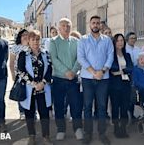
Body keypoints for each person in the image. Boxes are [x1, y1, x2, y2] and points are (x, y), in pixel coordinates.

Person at [77, 15, 114, 145]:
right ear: (90, 25)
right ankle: (88, 133)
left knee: (102, 107)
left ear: (101, 25)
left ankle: (102, 133)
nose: (96, 25)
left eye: (98, 23)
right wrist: (93, 72)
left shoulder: (107, 40)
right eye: (93, 23)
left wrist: (102, 71)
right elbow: (81, 58)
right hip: (87, 78)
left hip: (103, 78)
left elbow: (110, 56)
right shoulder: (83, 40)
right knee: (87, 107)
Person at [49, 18, 83, 141]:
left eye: (68, 25)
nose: (66, 28)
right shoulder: (53, 42)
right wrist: (66, 71)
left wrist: (73, 72)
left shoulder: (76, 42)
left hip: (73, 79)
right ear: (59, 28)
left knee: (76, 105)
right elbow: (54, 58)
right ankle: (61, 129)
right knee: (59, 105)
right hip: (58, 79)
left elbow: (80, 58)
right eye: (63, 25)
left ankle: (78, 128)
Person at [18, 30, 53, 145]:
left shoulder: (46, 53)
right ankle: (31, 136)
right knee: (29, 113)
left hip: (43, 88)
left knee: (44, 113)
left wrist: (42, 83)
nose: (35, 42)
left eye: (37, 39)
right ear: (28, 41)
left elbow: (50, 70)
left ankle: (46, 136)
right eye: (33, 39)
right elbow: (21, 71)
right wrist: (33, 84)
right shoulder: (23, 54)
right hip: (29, 88)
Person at [109, 34, 133, 138]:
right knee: (115, 107)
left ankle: (123, 128)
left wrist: (121, 71)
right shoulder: (111, 55)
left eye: (122, 40)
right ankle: (116, 128)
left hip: (126, 84)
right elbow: (112, 69)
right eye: (118, 41)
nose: (120, 42)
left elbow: (131, 68)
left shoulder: (127, 55)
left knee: (124, 107)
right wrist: (123, 71)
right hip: (114, 85)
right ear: (114, 43)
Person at [9, 29, 29, 120]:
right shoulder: (15, 48)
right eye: (23, 35)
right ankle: (22, 112)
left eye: (27, 35)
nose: (25, 36)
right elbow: (11, 62)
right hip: (19, 75)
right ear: (20, 37)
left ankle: (32, 112)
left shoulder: (31, 46)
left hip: (31, 75)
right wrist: (13, 74)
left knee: (31, 94)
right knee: (20, 93)